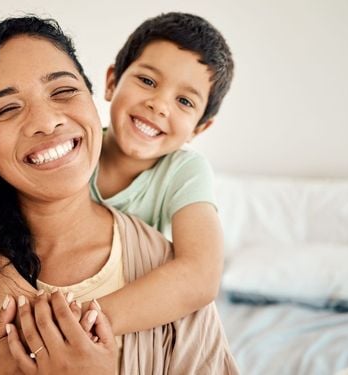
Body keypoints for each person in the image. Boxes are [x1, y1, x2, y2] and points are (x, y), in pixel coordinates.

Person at [0, 15, 238, 374]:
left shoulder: (171, 267)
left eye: (63, 91)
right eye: (7, 108)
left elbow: (200, 274)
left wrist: (80, 325)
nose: (47, 122)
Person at [85, 11, 235, 334]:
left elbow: (201, 274)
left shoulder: (184, 172)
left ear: (200, 127)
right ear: (112, 82)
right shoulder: (76, 146)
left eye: (184, 101)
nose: (159, 105)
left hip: (117, 319)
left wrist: (82, 322)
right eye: (148, 81)